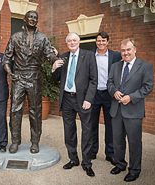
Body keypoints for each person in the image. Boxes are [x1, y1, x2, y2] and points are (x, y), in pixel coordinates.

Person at [2, 10, 58, 154]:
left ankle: (35, 142)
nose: (33, 19)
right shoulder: (15, 37)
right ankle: (15, 141)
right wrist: (11, 73)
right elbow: (6, 59)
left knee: (35, 111)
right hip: (18, 78)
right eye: (30, 17)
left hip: (34, 77)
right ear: (24, 19)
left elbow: (49, 54)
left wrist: (55, 60)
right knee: (15, 110)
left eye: (35, 17)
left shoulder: (43, 38)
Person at [107, 38, 153, 182]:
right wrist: (113, 91)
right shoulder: (115, 66)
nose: (125, 53)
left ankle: (134, 169)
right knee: (117, 141)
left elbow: (147, 87)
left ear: (135, 49)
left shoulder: (145, 66)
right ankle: (120, 164)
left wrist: (131, 97)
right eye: (123, 50)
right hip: (116, 110)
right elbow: (109, 82)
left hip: (133, 110)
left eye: (128, 49)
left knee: (134, 142)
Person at [52, 32, 98, 177]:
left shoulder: (89, 55)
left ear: (79, 42)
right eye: (69, 41)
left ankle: (87, 163)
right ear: (67, 43)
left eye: (74, 40)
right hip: (66, 98)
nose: (72, 43)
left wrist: (89, 99)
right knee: (69, 131)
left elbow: (94, 79)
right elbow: (56, 78)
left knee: (87, 131)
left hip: (83, 99)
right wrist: (54, 68)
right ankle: (73, 159)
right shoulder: (63, 57)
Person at [90, 32, 122, 164]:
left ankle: (110, 153)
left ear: (108, 42)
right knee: (92, 125)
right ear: (95, 42)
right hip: (94, 94)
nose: (101, 43)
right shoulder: (90, 55)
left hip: (110, 95)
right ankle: (92, 152)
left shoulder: (116, 56)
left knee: (111, 125)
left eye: (103, 41)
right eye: (98, 41)